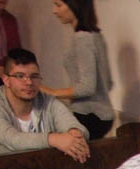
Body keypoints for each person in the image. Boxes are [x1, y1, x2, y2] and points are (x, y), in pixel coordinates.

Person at [41, 0, 114, 140]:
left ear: (75, 5)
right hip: (102, 115)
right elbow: (108, 83)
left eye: (58, 5)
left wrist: (51, 93)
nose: (54, 11)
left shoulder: (82, 39)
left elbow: (87, 87)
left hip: (89, 116)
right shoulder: (95, 35)